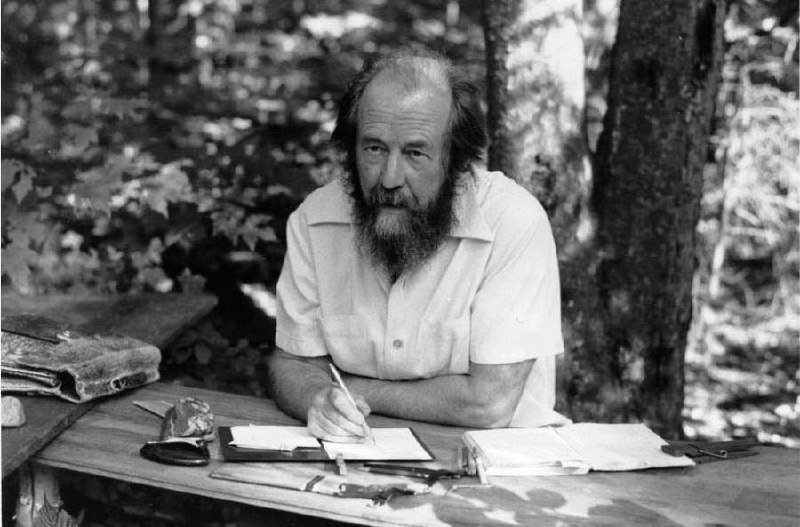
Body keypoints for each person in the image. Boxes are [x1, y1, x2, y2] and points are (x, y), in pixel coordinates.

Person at [268, 50, 567, 443]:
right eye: (374, 149)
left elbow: (489, 404)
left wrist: (350, 390)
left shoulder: (513, 222)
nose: (390, 179)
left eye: (415, 153)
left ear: (456, 159)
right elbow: (292, 361)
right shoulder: (315, 218)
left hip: (494, 465)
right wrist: (317, 399)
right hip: (350, 454)